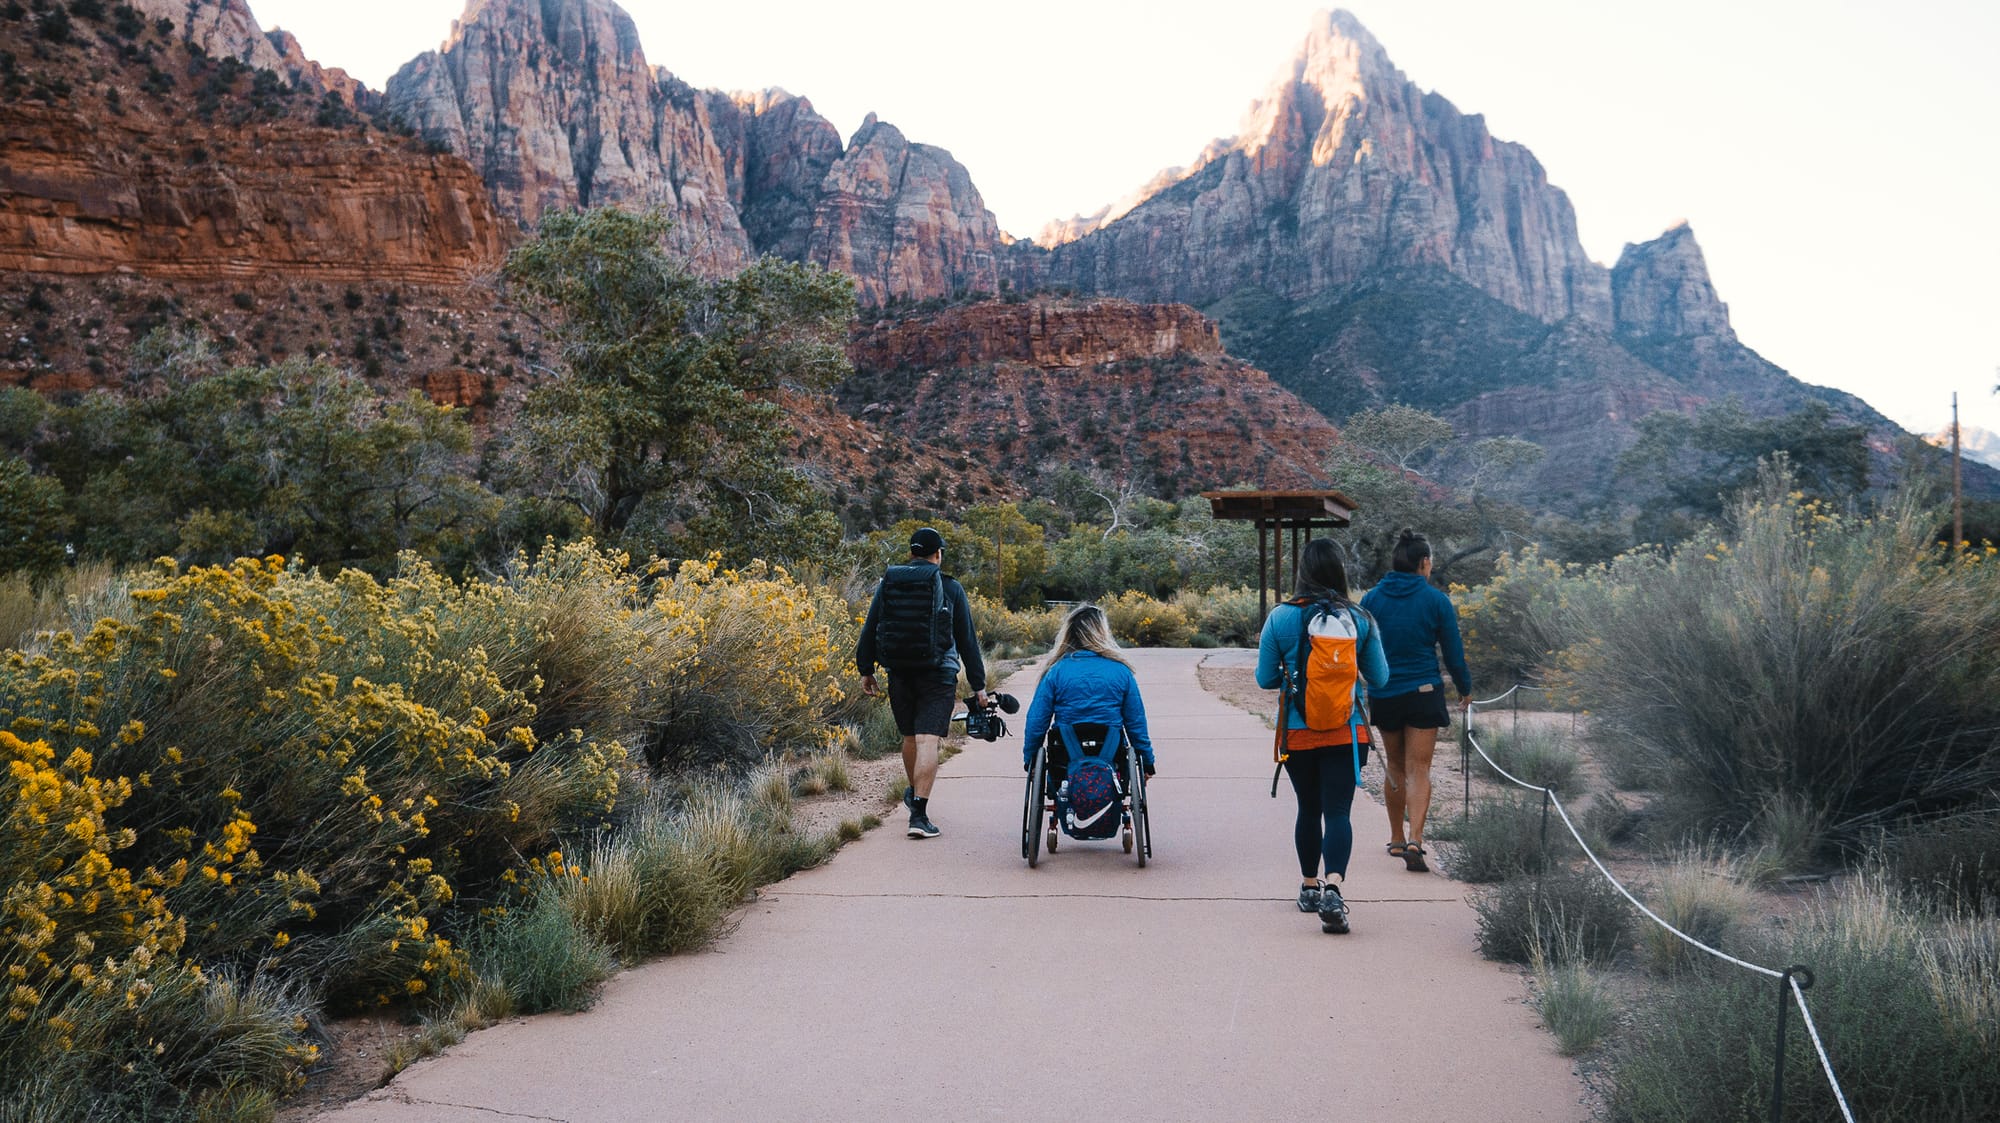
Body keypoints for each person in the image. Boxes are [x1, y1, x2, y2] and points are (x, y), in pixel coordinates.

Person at [1255, 538, 1389, 934]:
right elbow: (1380, 677)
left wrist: (1293, 678)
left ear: (1302, 572)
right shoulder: (1360, 618)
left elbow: (1264, 678)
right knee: (1338, 811)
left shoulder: (1280, 617)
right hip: (1347, 732)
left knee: (1309, 809)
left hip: (1298, 733)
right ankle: (1335, 886)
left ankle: (1309, 887)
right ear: (1340, 571)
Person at [856, 527, 987, 839]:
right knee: (929, 740)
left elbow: (871, 625)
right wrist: (979, 685)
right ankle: (919, 813)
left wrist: (866, 669)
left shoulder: (890, 582)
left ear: (912, 553)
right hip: (938, 675)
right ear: (937, 554)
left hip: (899, 671)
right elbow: (967, 640)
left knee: (911, 738)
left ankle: (915, 794)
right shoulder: (951, 587)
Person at [1359, 528, 1472, 874]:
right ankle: (1415, 840)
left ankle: (1395, 838)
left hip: (1385, 693)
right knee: (1418, 769)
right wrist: (1465, 687)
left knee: (1394, 766)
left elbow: (1363, 650)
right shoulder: (1436, 601)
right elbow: (1453, 652)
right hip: (1424, 692)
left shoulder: (1371, 599)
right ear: (1424, 562)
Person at [1021, 603, 1156, 792]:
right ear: (1102, 633)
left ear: (1070, 633)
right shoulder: (1121, 672)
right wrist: (1147, 761)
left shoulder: (1055, 672)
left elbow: (1037, 721)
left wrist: (1030, 760)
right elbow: (1136, 723)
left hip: (1064, 759)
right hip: (1111, 758)